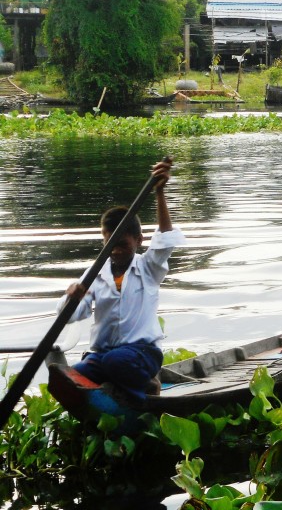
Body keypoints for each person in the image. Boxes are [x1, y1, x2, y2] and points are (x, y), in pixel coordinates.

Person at [59, 158, 187, 400]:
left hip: (142, 353)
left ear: (138, 241)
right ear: (103, 242)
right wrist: (72, 297)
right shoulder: (96, 272)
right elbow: (74, 315)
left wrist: (159, 192)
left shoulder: (148, 268)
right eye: (110, 245)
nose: (115, 251)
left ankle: (148, 385)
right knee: (76, 373)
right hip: (103, 355)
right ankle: (123, 390)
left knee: (116, 362)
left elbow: (165, 238)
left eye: (123, 245)